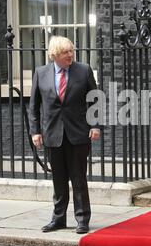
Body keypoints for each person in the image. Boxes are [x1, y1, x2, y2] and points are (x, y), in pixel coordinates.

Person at [29, 36, 100, 234]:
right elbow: (33, 106)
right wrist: (35, 131)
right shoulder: (41, 73)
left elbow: (94, 100)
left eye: (71, 51)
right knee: (58, 180)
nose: (70, 55)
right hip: (52, 134)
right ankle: (58, 219)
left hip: (78, 134)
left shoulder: (83, 70)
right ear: (54, 55)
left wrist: (95, 126)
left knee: (78, 179)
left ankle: (82, 219)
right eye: (65, 52)